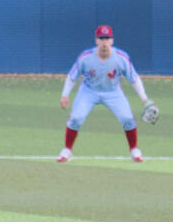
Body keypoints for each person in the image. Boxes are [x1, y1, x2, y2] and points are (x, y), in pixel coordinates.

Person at [59, 24, 154, 162]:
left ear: (112, 41)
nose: (104, 42)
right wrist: (65, 95)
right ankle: (67, 150)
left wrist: (144, 99)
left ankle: (134, 150)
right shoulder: (86, 57)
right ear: (96, 41)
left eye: (107, 38)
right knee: (76, 118)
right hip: (89, 91)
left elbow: (134, 79)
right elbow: (72, 77)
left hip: (113, 92)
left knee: (127, 119)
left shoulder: (121, 57)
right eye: (101, 38)